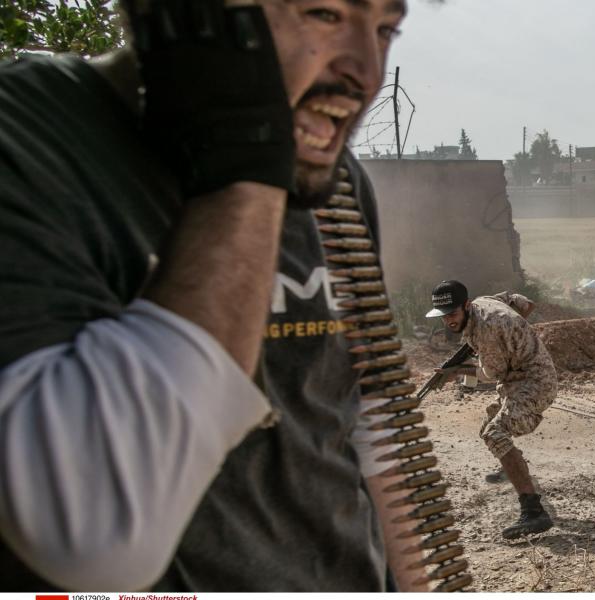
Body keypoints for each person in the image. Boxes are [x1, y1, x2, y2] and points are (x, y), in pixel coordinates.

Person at [0, 0, 428, 592]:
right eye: (324, 14)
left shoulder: (336, 185)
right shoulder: (27, 139)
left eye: (385, 29)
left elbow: (365, 422)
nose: (365, 70)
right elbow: (88, 537)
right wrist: (249, 169)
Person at [425, 280, 557, 539]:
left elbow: (490, 374)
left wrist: (455, 372)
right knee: (490, 422)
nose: (448, 321)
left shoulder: (486, 329)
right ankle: (511, 467)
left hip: (535, 381)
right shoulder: (486, 301)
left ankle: (533, 511)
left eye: (452, 314)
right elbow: (522, 302)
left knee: (494, 434)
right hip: (517, 378)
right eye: (443, 316)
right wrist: (514, 331)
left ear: (466, 305)